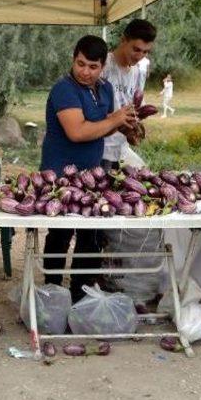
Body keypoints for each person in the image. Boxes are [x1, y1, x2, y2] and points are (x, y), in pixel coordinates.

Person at [41, 35, 136, 301]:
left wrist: (125, 125)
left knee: (90, 235)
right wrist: (114, 120)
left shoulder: (104, 88)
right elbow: (77, 131)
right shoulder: (63, 89)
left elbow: (102, 124)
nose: (85, 71)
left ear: (103, 66)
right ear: (73, 60)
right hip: (59, 174)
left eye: (93, 66)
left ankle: (80, 292)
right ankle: (53, 290)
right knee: (60, 234)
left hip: (91, 175)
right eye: (80, 64)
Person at [101, 19, 157, 169]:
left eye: (145, 52)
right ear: (123, 40)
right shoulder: (103, 66)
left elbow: (135, 106)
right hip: (100, 149)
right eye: (136, 49)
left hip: (121, 149)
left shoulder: (137, 72)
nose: (140, 56)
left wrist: (136, 128)